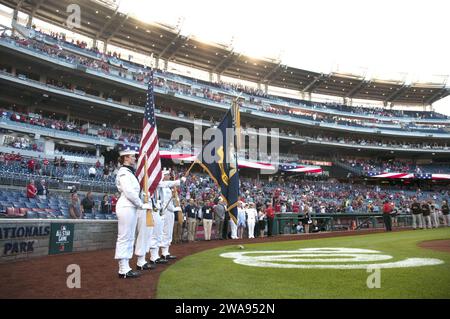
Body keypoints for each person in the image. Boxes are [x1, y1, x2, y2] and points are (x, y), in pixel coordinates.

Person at [114, 144, 153, 279]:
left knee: (129, 237)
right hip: (126, 206)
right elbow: (129, 192)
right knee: (125, 237)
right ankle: (123, 269)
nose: (135, 158)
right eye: (132, 156)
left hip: (131, 207)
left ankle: (126, 267)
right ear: (125, 158)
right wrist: (141, 205)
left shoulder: (129, 172)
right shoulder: (124, 172)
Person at [153, 169, 186, 262]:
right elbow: (165, 203)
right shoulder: (163, 186)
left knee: (168, 232)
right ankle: (161, 253)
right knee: (164, 232)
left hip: (170, 212)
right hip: (166, 211)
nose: (168, 176)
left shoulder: (168, 187)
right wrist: (175, 209)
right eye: (166, 175)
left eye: (168, 175)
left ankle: (165, 252)